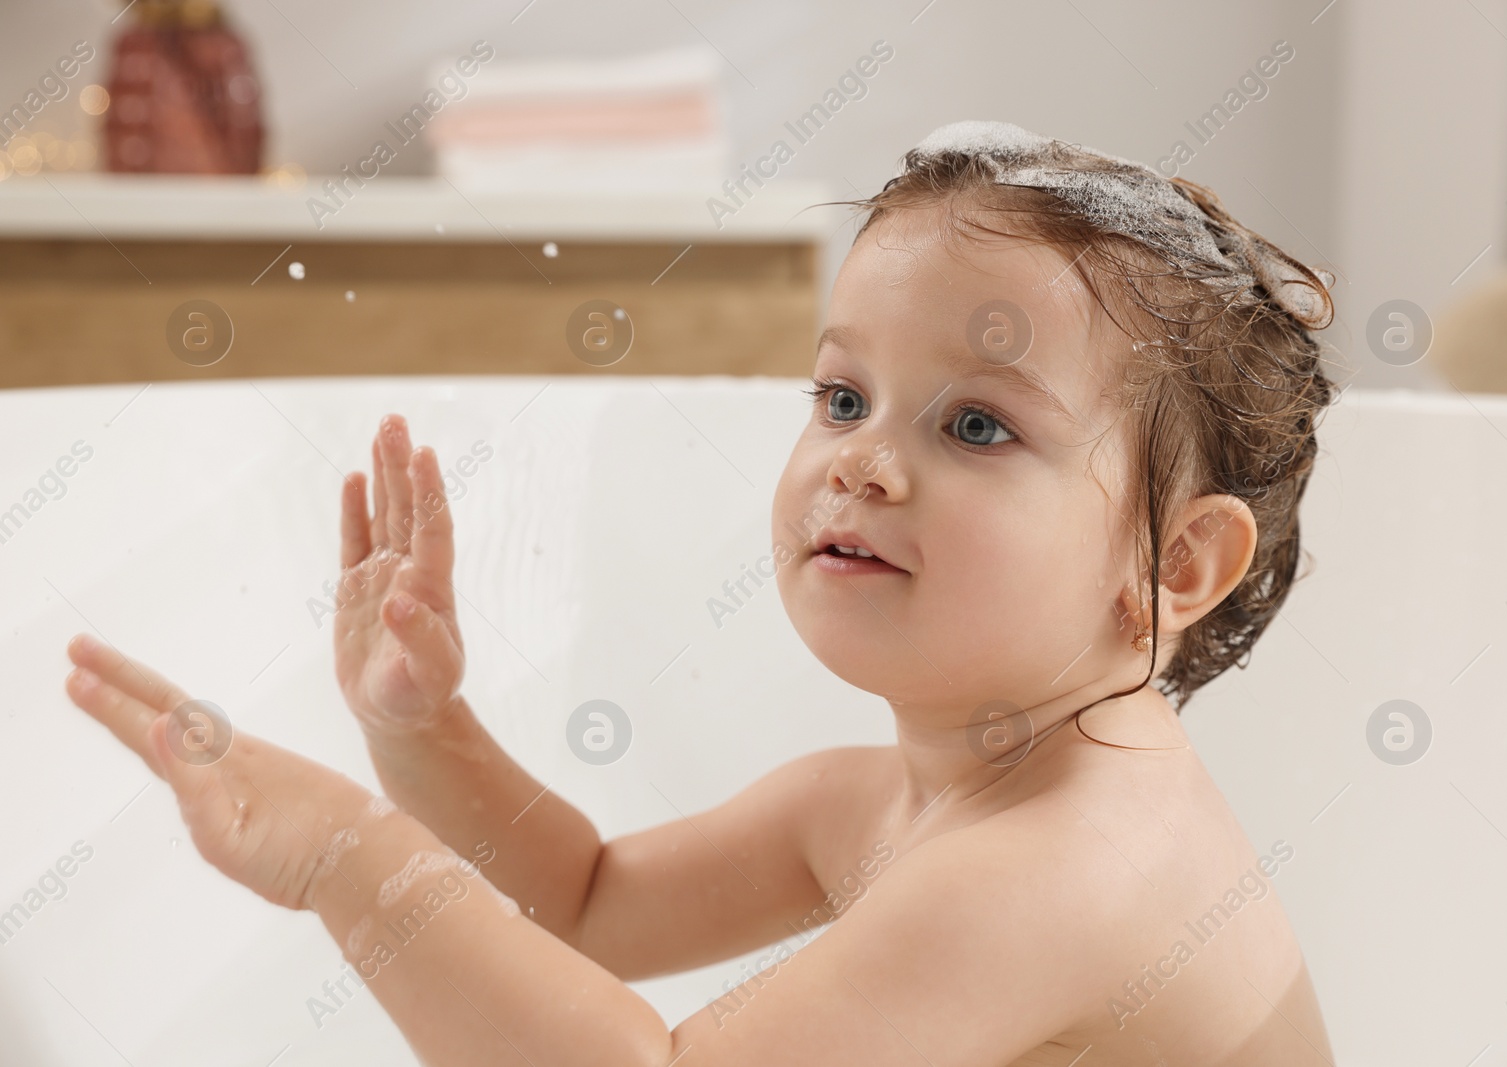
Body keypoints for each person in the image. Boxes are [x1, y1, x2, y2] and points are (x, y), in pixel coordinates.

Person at [64, 120, 1340, 1065]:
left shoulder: (1064, 865)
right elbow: (586, 903)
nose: (864, 461)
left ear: (1173, 565)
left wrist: (351, 859)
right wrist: (420, 728)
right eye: (842, 396)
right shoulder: (886, 801)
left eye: (975, 425)